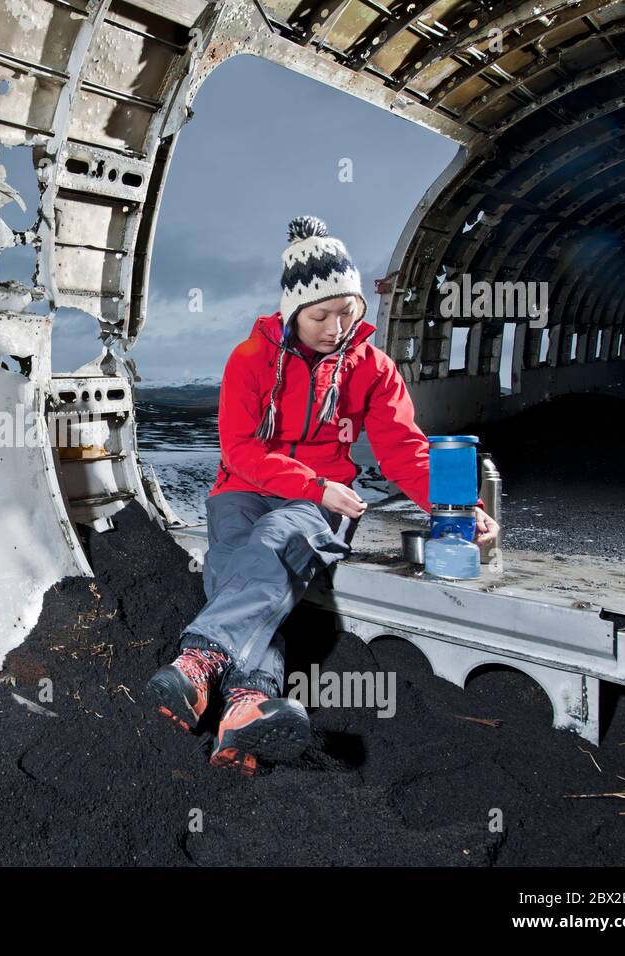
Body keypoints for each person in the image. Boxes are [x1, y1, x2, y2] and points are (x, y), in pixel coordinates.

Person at [145, 215, 499, 775]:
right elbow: (240, 452)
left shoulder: (375, 370)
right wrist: (310, 482)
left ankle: (199, 658)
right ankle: (246, 705)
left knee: (273, 539)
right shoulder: (247, 360)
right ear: (291, 312)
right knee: (234, 559)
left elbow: (404, 450)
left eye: (348, 310)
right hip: (246, 487)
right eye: (320, 315)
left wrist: (459, 508)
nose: (336, 326)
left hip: (322, 502)